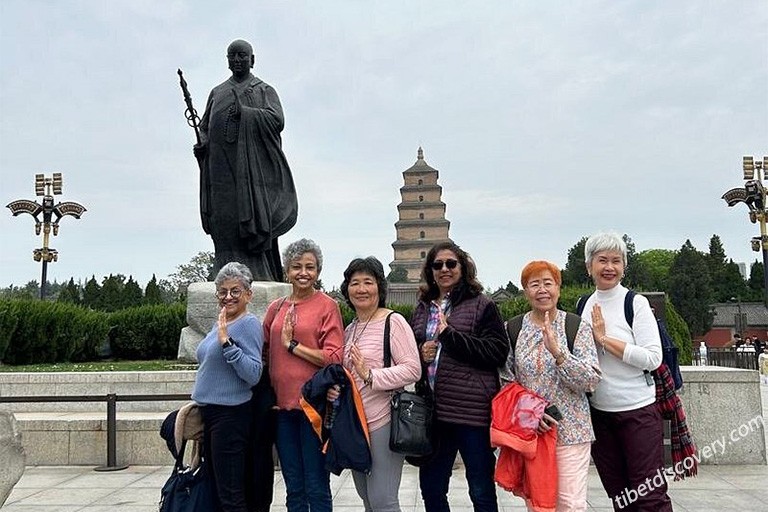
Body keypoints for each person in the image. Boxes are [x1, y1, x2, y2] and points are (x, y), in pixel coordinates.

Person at [410, 242, 509, 512]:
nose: (444, 269)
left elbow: (497, 352)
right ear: (430, 271)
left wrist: (448, 336)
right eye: (437, 265)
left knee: (480, 489)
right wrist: (421, 352)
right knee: (431, 486)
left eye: (451, 263)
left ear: (462, 267)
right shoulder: (423, 308)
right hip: (434, 413)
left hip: (471, 414)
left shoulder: (482, 305)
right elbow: (408, 355)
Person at [578, 232, 672, 511]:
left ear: (624, 266)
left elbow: (653, 358)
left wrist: (605, 340)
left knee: (649, 494)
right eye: (602, 260)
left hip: (637, 410)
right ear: (588, 266)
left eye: (616, 261)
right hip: (599, 413)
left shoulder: (635, 303)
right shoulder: (583, 305)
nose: (609, 267)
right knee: (619, 494)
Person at [499, 260, 601, 512]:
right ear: (525, 291)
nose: (542, 290)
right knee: (538, 503)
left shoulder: (576, 327)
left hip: (571, 430)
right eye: (534, 284)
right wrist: (532, 412)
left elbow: (590, 380)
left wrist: (559, 353)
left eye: (548, 283)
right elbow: (505, 380)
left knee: (570, 503)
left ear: (558, 288)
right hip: (532, 431)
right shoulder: (512, 329)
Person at [193, 39, 298, 282]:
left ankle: (258, 273)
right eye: (232, 56)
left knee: (248, 220)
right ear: (227, 60)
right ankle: (223, 271)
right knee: (223, 220)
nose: (238, 60)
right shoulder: (217, 92)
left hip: (251, 174)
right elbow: (205, 127)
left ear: (252, 59)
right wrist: (203, 142)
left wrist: (247, 114)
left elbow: (277, 120)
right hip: (219, 171)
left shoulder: (263, 90)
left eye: (242, 55)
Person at [331, 256, 421, 511]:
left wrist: (371, 375)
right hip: (355, 423)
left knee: (383, 500)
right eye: (354, 282)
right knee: (367, 498)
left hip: (383, 420)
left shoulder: (393, 322)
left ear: (379, 288)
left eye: (368, 282)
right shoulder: (350, 329)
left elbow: (413, 369)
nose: (361, 289)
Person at [262, 239, 344, 512]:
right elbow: (264, 352)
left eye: (310, 267)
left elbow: (334, 357)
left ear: (318, 271)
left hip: (312, 409)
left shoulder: (327, 306)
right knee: (293, 485)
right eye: (297, 266)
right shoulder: (276, 307)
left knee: (315, 485)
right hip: (281, 409)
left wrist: (293, 346)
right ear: (287, 270)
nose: (303, 272)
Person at [191, 262, 264, 512]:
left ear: (248, 294)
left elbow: (253, 373)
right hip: (210, 413)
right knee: (217, 489)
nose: (228, 297)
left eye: (235, 291)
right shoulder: (221, 321)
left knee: (231, 494)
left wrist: (227, 343)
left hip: (230, 416)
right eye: (222, 292)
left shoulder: (248, 324)